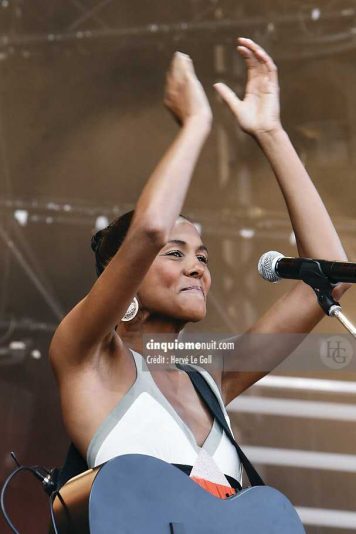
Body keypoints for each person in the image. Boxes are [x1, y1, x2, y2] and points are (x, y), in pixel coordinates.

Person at [49, 38, 350, 499]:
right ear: (124, 271)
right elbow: (150, 229)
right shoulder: (85, 359)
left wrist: (271, 133)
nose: (197, 268)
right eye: (176, 253)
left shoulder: (212, 382)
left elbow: (327, 281)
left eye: (203, 258)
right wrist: (195, 124)